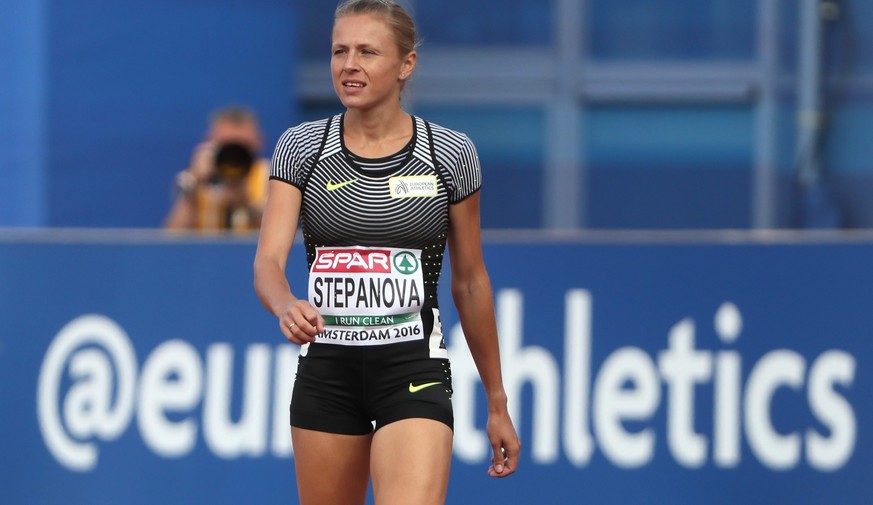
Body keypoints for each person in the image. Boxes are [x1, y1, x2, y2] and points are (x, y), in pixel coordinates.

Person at [253, 1, 520, 503]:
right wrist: (286, 303)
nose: (349, 64)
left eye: (367, 52)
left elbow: (470, 281)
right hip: (327, 373)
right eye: (339, 51)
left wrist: (497, 401)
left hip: (413, 370)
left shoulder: (450, 154)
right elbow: (267, 262)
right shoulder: (301, 148)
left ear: (405, 65)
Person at [164, 105, 269, 231]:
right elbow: (172, 237)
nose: (233, 155)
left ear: (258, 142)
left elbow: (279, 230)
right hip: (206, 250)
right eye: (226, 145)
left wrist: (246, 202)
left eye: (241, 147)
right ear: (209, 141)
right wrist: (194, 182)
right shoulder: (197, 177)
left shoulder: (272, 176)